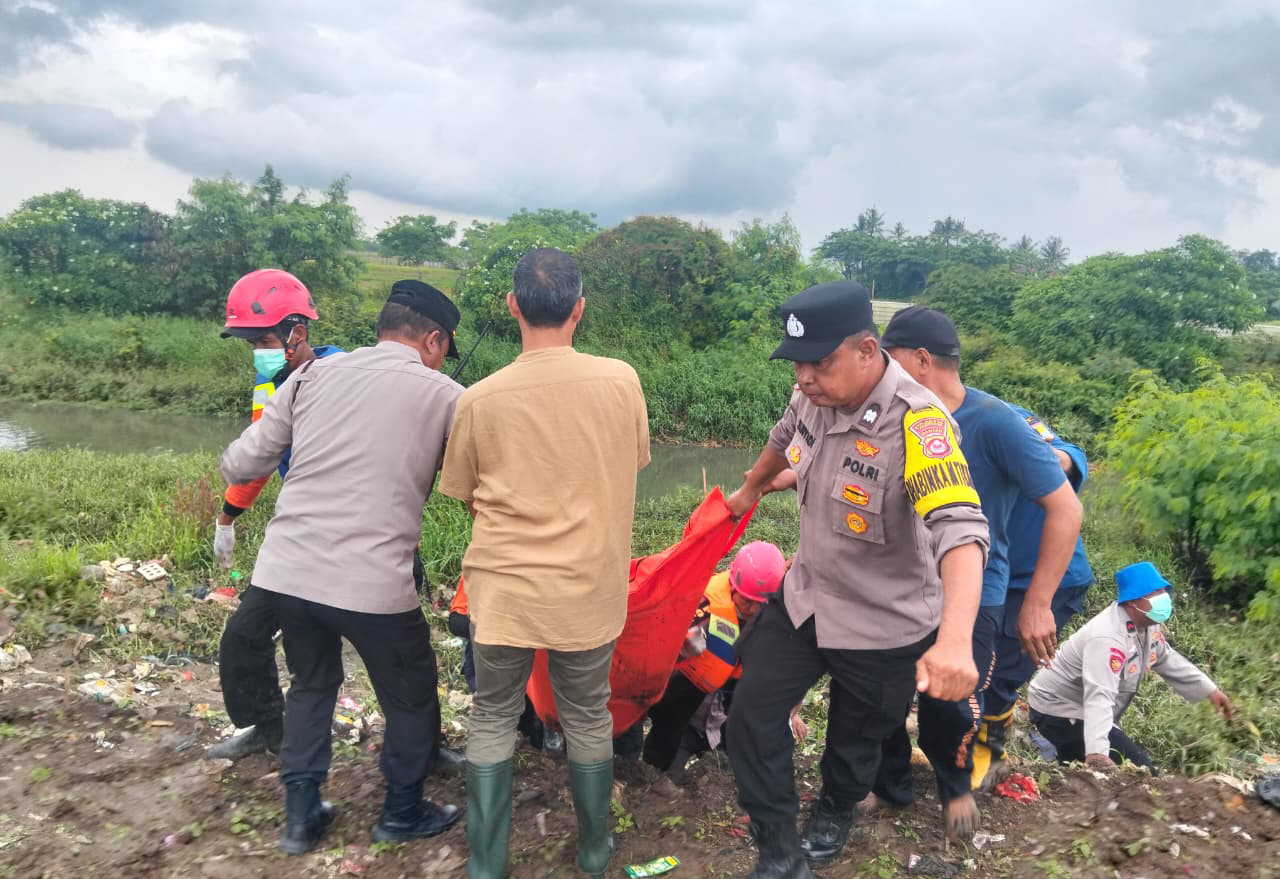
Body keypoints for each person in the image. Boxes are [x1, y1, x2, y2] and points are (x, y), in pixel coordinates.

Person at [723, 281, 990, 878]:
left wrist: (952, 641)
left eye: (819, 363)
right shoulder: (812, 396)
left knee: (853, 742)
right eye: (797, 364)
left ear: (868, 350)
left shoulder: (922, 425)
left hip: (883, 622)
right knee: (750, 716)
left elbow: (961, 532)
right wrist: (750, 487)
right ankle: (778, 849)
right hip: (809, 596)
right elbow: (784, 438)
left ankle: (836, 811)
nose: (804, 379)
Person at [219, 282, 466, 854]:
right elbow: (473, 480)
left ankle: (302, 818)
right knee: (408, 692)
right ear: (432, 339)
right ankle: (401, 812)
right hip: (373, 582)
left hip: (287, 574)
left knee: (311, 684)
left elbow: (241, 459)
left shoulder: (308, 377)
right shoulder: (450, 395)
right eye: (441, 347)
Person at [438, 248, 649, 879]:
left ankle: (485, 863)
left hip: (503, 590)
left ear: (512, 307)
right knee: (587, 714)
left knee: (494, 715)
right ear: (579, 308)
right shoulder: (622, 381)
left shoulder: (477, 398)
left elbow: (467, 496)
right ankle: (593, 851)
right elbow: (630, 463)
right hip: (588, 587)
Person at [875, 306, 1083, 837]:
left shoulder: (993, 422)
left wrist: (1037, 603)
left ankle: (955, 786)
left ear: (922, 361)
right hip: (903, 590)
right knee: (882, 695)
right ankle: (888, 784)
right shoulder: (892, 415)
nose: (880, 369)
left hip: (977, 592)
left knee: (952, 705)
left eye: (889, 358)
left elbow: (1065, 507)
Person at [207, 268, 342, 761]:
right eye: (250, 344)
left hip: (360, 534)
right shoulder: (270, 388)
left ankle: (426, 746)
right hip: (302, 538)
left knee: (397, 654)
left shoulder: (341, 375)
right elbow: (259, 460)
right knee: (244, 636)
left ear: (297, 333)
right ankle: (268, 728)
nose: (256, 352)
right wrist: (227, 517)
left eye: (262, 340)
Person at [973, 406, 1094, 789]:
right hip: (992, 575)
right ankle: (962, 741)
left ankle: (989, 756)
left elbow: (1068, 457)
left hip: (1045, 579)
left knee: (1000, 672)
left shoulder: (1002, 418)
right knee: (972, 663)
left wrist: (1033, 458)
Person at [1027, 562, 1232, 770]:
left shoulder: (1148, 626)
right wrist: (1097, 753)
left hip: (1079, 707)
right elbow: (1099, 695)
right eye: (1155, 593)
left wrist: (1209, 691)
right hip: (1058, 709)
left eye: (1163, 590)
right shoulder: (1107, 638)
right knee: (1141, 773)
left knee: (1080, 776)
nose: (1164, 597)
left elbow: (1165, 658)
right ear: (1134, 601)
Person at [639, 541, 787, 773]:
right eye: (747, 601)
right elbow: (662, 636)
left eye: (761, 605)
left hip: (733, 692)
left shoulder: (778, 612)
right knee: (669, 730)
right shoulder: (706, 604)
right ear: (732, 585)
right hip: (688, 684)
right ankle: (653, 773)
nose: (753, 610)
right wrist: (682, 644)